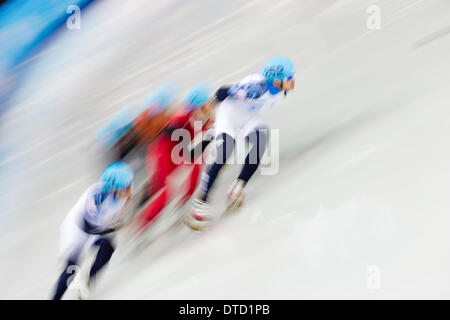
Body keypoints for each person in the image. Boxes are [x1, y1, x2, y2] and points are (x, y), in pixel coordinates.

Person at [189, 55, 296, 224]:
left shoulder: (281, 90)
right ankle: (201, 201)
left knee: (261, 141)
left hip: (247, 117)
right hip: (228, 116)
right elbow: (222, 92)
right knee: (224, 154)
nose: (293, 80)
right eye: (289, 77)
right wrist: (208, 108)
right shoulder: (256, 87)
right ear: (276, 80)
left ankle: (238, 187)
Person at [136, 84, 217, 233]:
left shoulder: (198, 116)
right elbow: (188, 148)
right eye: (207, 103)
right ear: (199, 105)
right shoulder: (182, 118)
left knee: (199, 160)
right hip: (163, 153)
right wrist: (209, 136)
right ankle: (141, 226)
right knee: (166, 189)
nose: (211, 106)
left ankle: (183, 203)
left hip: (175, 152)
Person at [51, 161, 134, 300]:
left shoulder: (121, 196)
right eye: (126, 187)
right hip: (75, 230)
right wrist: (113, 228)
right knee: (71, 269)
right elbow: (87, 227)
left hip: (95, 226)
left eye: (130, 185)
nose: (130, 190)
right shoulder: (96, 195)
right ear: (113, 187)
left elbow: (112, 219)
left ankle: (88, 284)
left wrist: (116, 224)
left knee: (108, 246)